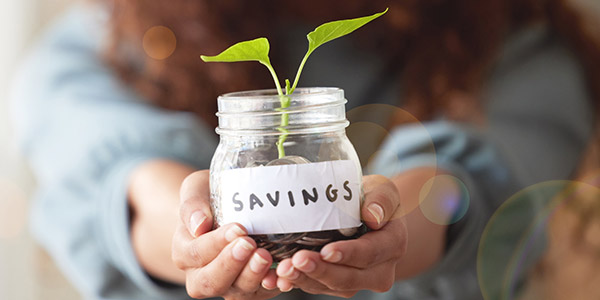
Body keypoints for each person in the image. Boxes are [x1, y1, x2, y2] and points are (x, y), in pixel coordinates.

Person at [9, 0, 598, 299]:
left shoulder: (514, 39)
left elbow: (480, 184)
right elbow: (111, 167)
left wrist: (387, 235)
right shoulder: (122, 33)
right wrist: (192, 235)